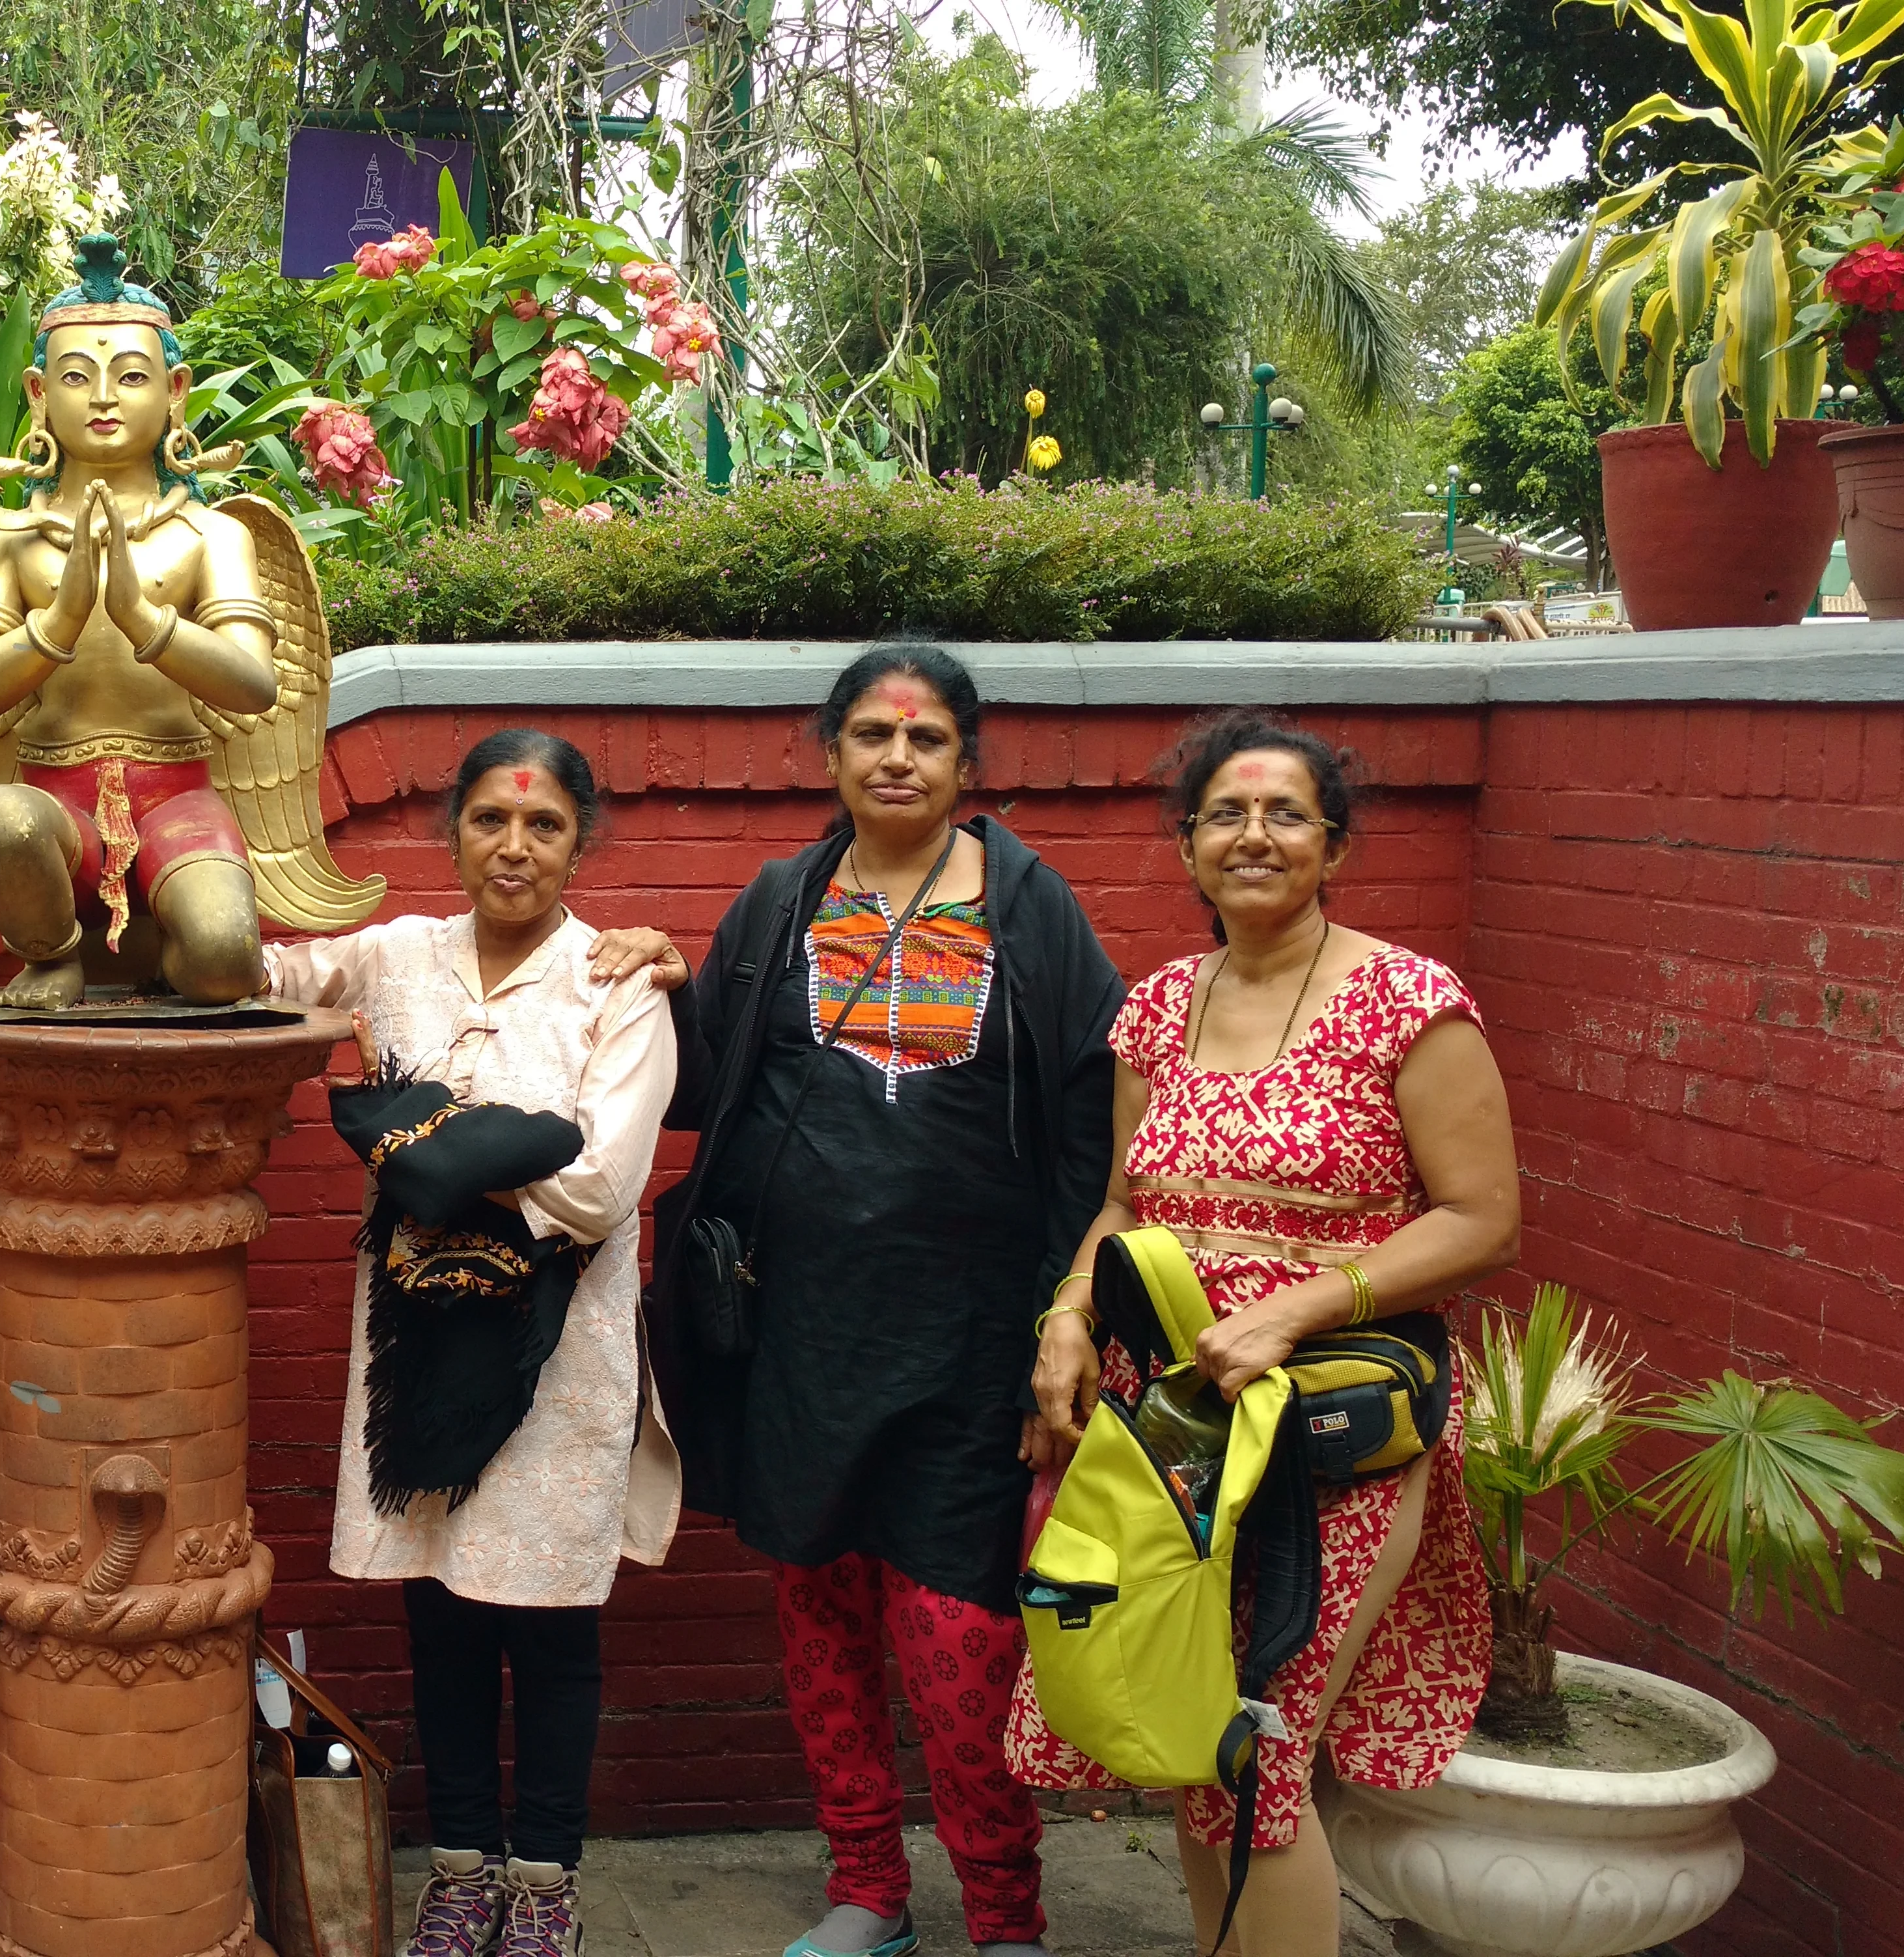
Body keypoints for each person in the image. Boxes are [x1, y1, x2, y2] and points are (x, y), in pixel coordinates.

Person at [613, 645, 1123, 1957]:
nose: (897, 757)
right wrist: (644, 985)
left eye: (927, 737)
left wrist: (1067, 1318)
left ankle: (1004, 1920)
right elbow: (703, 1086)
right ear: (829, 751)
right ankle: (866, 1894)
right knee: (820, 1611)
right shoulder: (781, 903)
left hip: (971, 1343)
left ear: (966, 762)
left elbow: (1089, 1129)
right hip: (799, 1334)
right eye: (872, 734)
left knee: (960, 1644)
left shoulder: (1028, 908)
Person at [1008, 712, 1512, 1957]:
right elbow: (1127, 1202)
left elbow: (1485, 1218)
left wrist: (1300, 1303)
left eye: (1287, 813)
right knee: (1199, 1738)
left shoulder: (1410, 1000)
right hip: (1175, 1430)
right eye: (1225, 814)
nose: (1254, 835)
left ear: (1334, 847)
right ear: (1188, 847)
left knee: (1251, 1754)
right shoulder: (1162, 1007)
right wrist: (1067, 1316)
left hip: (1332, 1435)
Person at [262, 729, 682, 1957]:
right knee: (442, 1614)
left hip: (559, 1362)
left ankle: (544, 1887)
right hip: (418, 1349)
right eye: (493, 821)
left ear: (577, 842)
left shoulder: (618, 984)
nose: (515, 847)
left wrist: (425, 1152)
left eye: (545, 825)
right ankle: (460, 1877)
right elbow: (265, 977)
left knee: (550, 1626)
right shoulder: (394, 957)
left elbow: (602, 1189)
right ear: (452, 831)